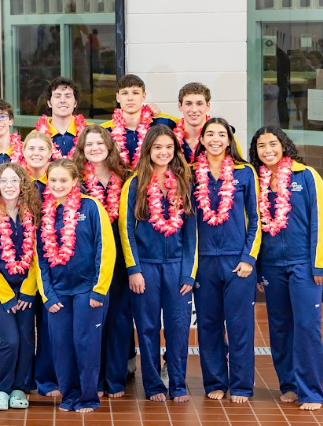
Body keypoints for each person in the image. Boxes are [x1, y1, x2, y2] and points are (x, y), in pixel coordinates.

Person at [250, 126, 323, 411]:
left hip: (303, 265)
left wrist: (319, 263)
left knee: (306, 327)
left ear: (284, 145)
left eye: (273, 143)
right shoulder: (257, 181)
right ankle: (290, 385)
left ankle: (311, 392)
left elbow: (320, 220)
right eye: (261, 145)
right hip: (271, 266)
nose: (267, 149)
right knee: (280, 327)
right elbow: (254, 229)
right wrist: (258, 268)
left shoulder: (306, 175)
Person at [119, 125, 196, 402]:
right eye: (157, 147)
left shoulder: (184, 182)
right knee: (148, 327)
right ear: (148, 150)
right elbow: (126, 230)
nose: (163, 152)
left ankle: (177, 384)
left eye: (168, 147)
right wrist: (134, 269)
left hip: (176, 267)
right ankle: (152, 385)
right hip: (146, 267)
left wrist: (188, 273)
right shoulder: (134, 183)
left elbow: (191, 233)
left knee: (178, 327)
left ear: (175, 151)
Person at [36, 159, 115, 413]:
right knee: (61, 346)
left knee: (86, 345)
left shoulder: (91, 207)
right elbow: (39, 258)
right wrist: (47, 294)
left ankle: (89, 397)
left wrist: (99, 289)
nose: (58, 185)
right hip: (58, 293)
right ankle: (69, 395)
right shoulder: (44, 211)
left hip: (87, 292)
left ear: (74, 182)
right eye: (53, 180)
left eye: (63, 180)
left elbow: (106, 249)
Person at [192, 118, 260, 403]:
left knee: (239, 324)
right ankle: (215, 382)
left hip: (237, 261)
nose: (216, 139)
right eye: (210, 134)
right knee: (208, 326)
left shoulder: (245, 173)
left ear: (230, 139)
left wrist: (249, 258)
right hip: (203, 261)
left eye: (222, 134)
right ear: (203, 139)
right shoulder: (190, 173)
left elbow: (257, 219)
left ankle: (242, 385)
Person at [0, 163, 40, 411]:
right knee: (10, 340)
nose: (9, 186)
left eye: (14, 180)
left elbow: (38, 255)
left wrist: (27, 289)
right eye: (4, 181)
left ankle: (19, 388)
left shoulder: (32, 212)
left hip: (25, 290)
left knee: (25, 339)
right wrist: (5, 295)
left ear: (23, 183)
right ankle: (2, 389)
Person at [72, 124, 130, 398]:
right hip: (87, 258)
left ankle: (115, 379)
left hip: (119, 256)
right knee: (93, 321)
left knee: (118, 319)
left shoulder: (125, 176)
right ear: (82, 150)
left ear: (109, 146)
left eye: (99, 143)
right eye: (89, 144)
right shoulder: (76, 181)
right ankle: (91, 380)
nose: (95, 148)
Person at [20, 131, 57, 396]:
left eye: (41, 148)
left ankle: (47, 380)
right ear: (22, 151)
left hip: (52, 263)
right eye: (31, 148)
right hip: (20, 263)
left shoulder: (57, 181)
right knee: (22, 327)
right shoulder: (14, 181)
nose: (36, 153)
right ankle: (22, 381)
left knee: (48, 326)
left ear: (51, 151)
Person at [102, 74, 177, 168]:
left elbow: (191, 126)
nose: (130, 98)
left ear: (144, 96)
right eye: (125, 93)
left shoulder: (164, 122)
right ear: (118, 97)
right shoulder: (105, 130)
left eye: (135, 93)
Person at [34, 77, 87, 159]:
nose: (62, 100)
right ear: (49, 103)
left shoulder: (88, 133)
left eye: (68, 96)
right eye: (57, 96)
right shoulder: (35, 136)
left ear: (75, 102)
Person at [174, 82, 212, 163]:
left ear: (208, 106)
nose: (194, 110)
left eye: (199, 104)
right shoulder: (170, 137)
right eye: (188, 104)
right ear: (180, 106)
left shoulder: (221, 138)